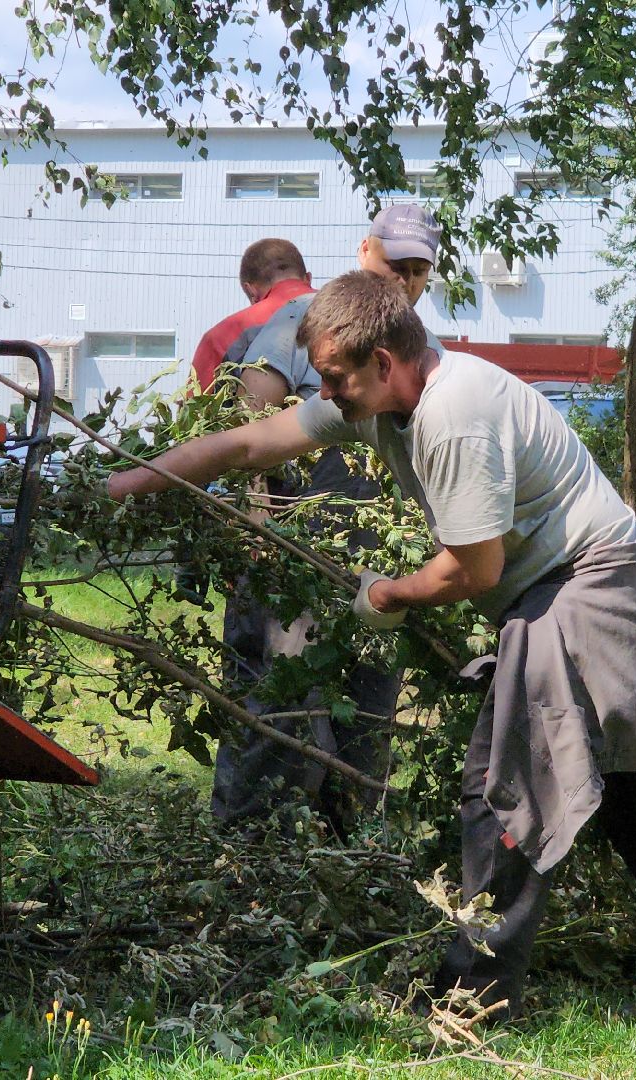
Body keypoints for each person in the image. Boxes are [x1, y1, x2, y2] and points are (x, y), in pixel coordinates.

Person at [106, 271, 636, 1017]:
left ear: (384, 360)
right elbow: (251, 443)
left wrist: (390, 592)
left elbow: (475, 569)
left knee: (505, 791)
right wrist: (123, 483)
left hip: (592, 589)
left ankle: (473, 999)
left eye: (337, 378)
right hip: (601, 586)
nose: (329, 391)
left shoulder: (454, 414)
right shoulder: (381, 402)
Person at [205, 207, 443, 831]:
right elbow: (246, 415)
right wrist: (256, 514)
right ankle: (247, 854)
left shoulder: (424, 350)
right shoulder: (308, 322)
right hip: (294, 558)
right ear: (365, 251)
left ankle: (348, 861)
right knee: (282, 707)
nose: (405, 282)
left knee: (366, 714)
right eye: (396, 266)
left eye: (419, 272)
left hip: (377, 564)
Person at [188, 238, 316, 393]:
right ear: (308, 279)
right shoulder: (341, 309)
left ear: (250, 291)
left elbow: (195, 408)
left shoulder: (223, 336)